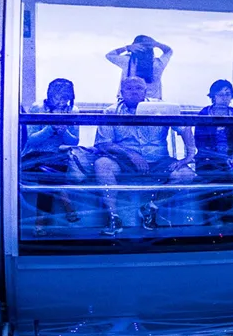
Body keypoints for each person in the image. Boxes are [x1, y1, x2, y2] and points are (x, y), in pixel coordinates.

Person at [93, 76, 195, 236]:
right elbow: (102, 143)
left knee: (186, 174)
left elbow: (185, 128)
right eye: (129, 88)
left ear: (145, 91)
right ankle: (114, 217)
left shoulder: (161, 108)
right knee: (102, 165)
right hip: (123, 162)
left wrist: (189, 156)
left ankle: (151, 207)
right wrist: (130, 154)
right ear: (121, 92)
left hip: (159, 160)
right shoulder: (111, 112)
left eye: (138, 88)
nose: (134, 92)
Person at [21, 78, 83, 235]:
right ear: (49, 95)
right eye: (58, 96)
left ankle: (40, 222)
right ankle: (68, 206)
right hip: (34, 156)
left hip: (59, 156)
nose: (61, 101)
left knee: (49, 173)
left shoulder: (73, 111)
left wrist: (64, 132)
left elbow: (74, 141)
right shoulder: (37, 108)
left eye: (65, 97)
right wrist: (50, 128)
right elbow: (32, 140)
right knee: (49, 172)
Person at [194, 79, 233, 227]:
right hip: (208, 157)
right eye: (220, 94)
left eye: (227, 94)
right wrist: (217, 157)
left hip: (231, 156)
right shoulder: (203, 114)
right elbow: (200, 143)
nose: (224, 97)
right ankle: (212, 214)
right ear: (213, 96)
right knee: (215, 175)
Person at [106, 35, 173, 101]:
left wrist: (126, 48)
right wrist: (157, 44)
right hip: (153, 102)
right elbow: (169, 51)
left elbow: (109, 55)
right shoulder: (158, 63)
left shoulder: (127, 61)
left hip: (127, 102)